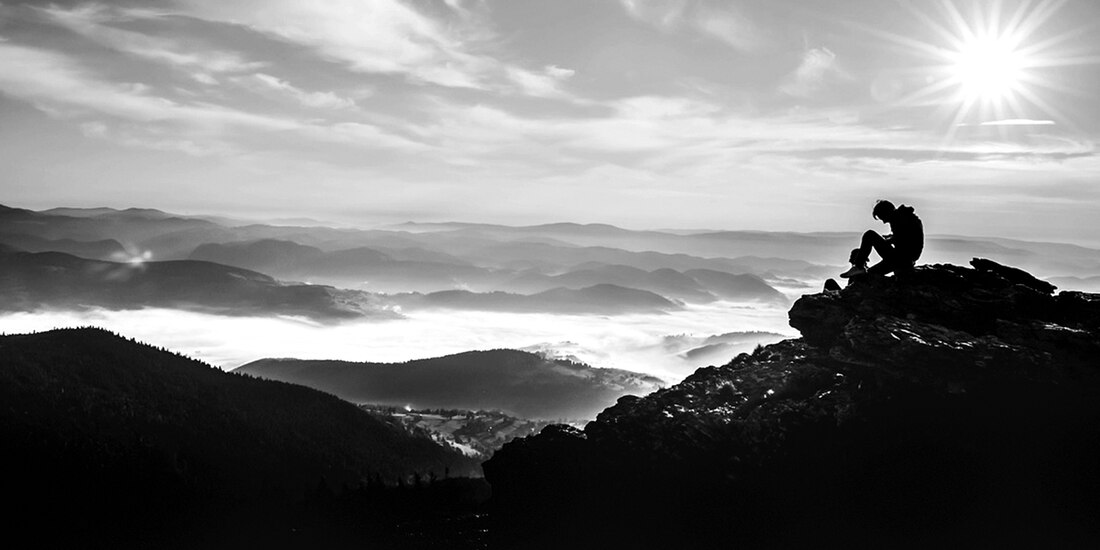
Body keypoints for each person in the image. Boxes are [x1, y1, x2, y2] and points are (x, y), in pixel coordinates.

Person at [840, 200, 923, 278]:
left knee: (869, 235)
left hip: (900, 259)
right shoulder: (905, 217)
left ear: (886, 213)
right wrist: (891, 238)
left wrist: (890, 240)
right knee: (869, 275)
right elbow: (906, 237)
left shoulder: (900, 219)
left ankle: (858, 266)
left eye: (882, 217)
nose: (884, 221)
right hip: (904, 260)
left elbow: (904, 241)